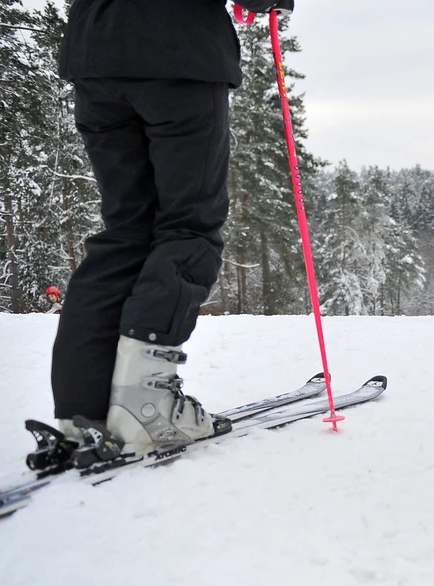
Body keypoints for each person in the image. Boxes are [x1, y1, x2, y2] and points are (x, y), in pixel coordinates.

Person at [52, 0, 292, 463]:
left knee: (126, 230)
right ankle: (145, 406)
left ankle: (82, 411)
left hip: (95, 55)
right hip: (179, 53)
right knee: (188, 227)